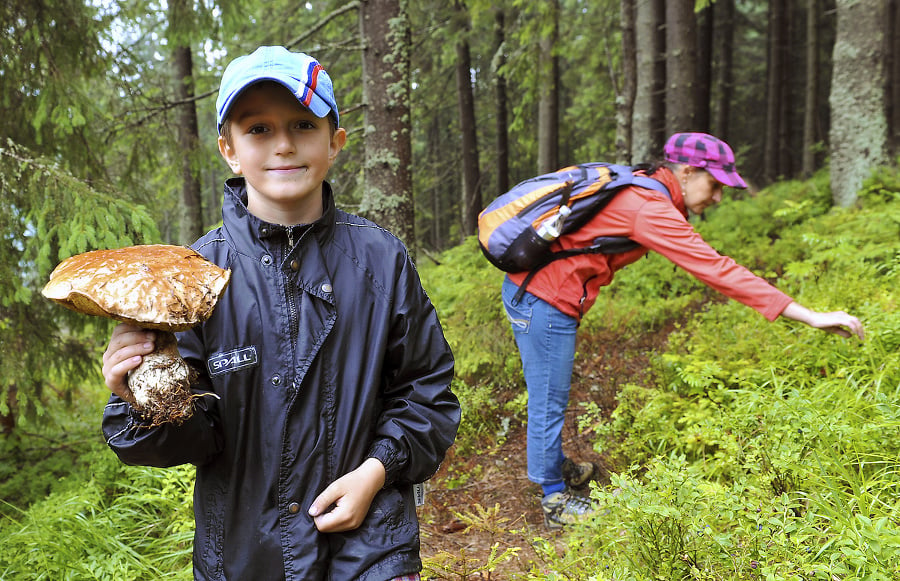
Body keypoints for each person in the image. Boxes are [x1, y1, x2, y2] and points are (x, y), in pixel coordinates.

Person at [101, 45, 460, 580]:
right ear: (229, 149)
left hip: (370, 550)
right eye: (259, 129)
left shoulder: (379, 261)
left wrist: (375, 471)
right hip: (243, 556)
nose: (285, 144)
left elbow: (426, 393)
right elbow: (196, 438)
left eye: (303, 124)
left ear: (334, 142)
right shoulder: (192, 275)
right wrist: (140, 398)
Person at [501, 132, 865, 529]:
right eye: (715, 185)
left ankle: (554, 465)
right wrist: (809, 315)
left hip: (539, 293)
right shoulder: (648, 206)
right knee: (548, 399)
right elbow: (716, 268)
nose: (719, 197)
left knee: (551, 392)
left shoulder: (643, 186)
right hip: (543, 300)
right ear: (688, 172)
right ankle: (554, 499)